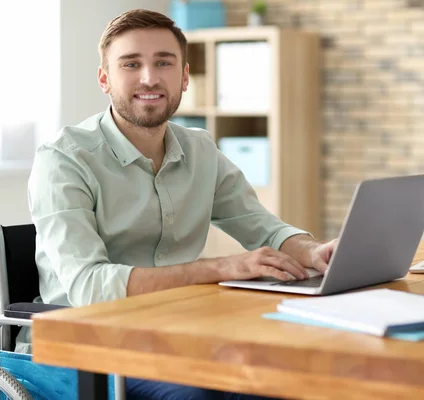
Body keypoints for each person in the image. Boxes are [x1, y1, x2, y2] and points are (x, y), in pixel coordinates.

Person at [24, 8, 337, 400]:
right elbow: (90, 288)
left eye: (164, 63)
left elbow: (263, 227)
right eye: (131, 64)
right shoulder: (63, 160)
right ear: (105, 78)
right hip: (82, 345)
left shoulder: (200, 149)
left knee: (279, 378)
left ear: (184, 77)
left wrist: (314, 251)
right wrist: (221, 267)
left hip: (175, 332)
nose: (149, 78)